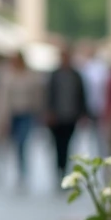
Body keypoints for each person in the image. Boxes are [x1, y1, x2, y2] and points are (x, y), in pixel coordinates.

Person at [0, 52, 45, 188]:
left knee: (23, 142)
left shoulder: (31, 75)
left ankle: (23, 172)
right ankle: (19, 170)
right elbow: (3, 98)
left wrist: (38, 111)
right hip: (12, 115)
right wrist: (2, 118)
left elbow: (37, 95)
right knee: (16, 144)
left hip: (26, 113)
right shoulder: (6, 76)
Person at [45, 45, 89, 180]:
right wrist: (48, 111)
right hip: (57, 117)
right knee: (58, 145)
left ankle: (64, 168)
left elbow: (82, 95)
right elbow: (48, 95)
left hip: (71, 116)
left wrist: (83, 113)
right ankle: (59, 170)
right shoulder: (54, 75)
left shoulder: (76, 75)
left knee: (68, 144)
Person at [78, 45, 111, 156]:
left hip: (100, 106)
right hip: (91, 106)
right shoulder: (87, 68)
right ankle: (94, 154)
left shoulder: (101, 68)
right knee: (91, 134)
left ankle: (100, 154)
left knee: (100, 134)